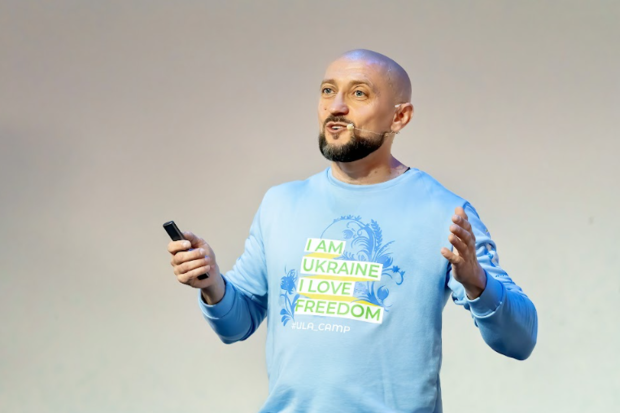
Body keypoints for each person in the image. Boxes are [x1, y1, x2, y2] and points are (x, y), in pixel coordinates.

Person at [167, 49, 538, 413]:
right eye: (328, 90)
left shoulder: (445, 213)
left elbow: (521, 340)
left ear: (400, 117)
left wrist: (477, 283)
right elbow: (235, 325)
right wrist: (212, 283)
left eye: (359, 93)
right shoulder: (280, 204)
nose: (336, 106)